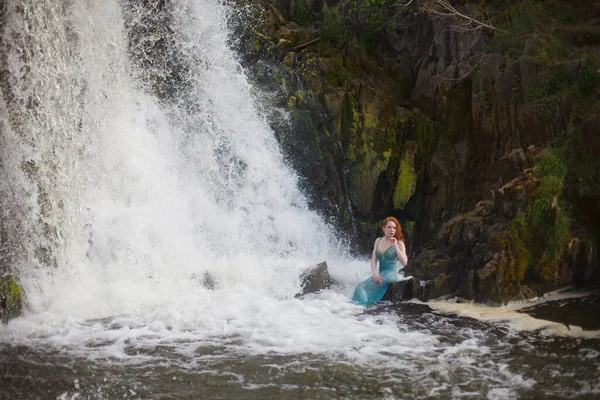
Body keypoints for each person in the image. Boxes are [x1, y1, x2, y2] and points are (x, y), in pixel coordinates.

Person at [352, 216, 408, 305]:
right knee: (360, 288)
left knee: (361, 288)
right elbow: (374, 258)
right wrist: (374, 273)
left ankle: (362, 308)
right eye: (389, 227)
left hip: (390, 274)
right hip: (380, 273)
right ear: (383, 228)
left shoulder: (399, 243)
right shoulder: (378, 240)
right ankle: (359, 308)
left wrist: (395, 246)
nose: (392, 230)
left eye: (394, 228)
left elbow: (404, 262)